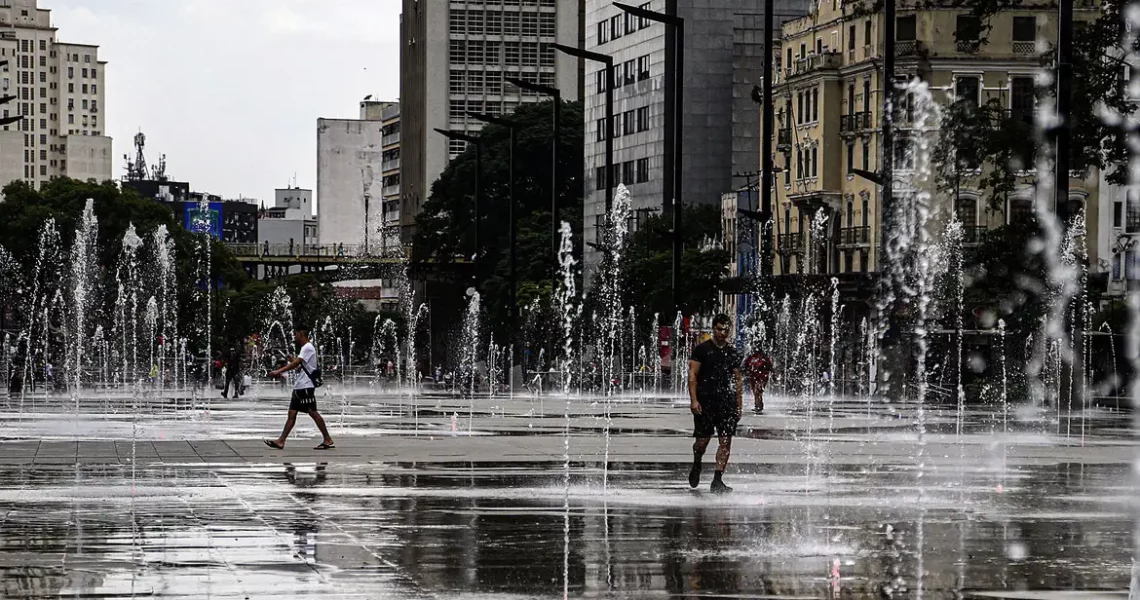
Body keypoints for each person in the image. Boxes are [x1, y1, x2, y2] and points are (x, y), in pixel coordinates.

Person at [687, 314, 743, 494]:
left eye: (726, 330)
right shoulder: (702, 350)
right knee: (702, 442)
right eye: (719, 329)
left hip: (726, 403)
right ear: (713, 329)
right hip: (705, 402)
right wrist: (694, 400)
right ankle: (697, 463)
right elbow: (692, 376)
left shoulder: (733, 352)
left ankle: (717, 480)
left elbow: (738, 380)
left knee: (725, 442)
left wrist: (739, 405)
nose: (722, 333)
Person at [264, 326, 335, 451]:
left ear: (301, 334)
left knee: (313, 412)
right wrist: (293, 360)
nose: (295, 337)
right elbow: (300, 366)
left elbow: (297, 364)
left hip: (306, 387)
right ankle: (281, 441)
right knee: (292, 413)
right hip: (300, 386)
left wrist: (279, 371)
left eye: (296, 334)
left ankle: (327, 439)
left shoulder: (308, 347)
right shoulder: (305, 348)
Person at [743, 348, 774, 414]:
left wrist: (773, 375)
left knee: (758, 391)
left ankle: (759, 406)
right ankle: (758, 404)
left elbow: (770, 367)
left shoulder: (764, 358)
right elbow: (745, 365)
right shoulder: (751, 357)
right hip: (753, 377)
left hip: (762, 377)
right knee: (756, 392)